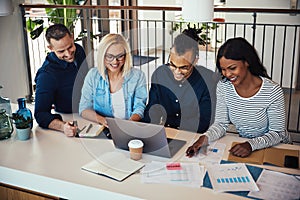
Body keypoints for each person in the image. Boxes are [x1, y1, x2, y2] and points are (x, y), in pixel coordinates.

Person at [186, 37, 291, 158]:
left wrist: (251, 145)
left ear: (247, 62)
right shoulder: (224, 87)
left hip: (277, 147)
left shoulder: (272, 91)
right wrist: (204, 138)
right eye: (223, 70)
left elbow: (278, 133)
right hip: (246, 147)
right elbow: (221, 124)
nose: (227, 74)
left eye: (232, 68)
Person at [143, 26, 217, 133]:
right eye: (172, 65)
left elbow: (205, 122)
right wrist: (145, 131)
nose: (177, 72)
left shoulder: (208, 80)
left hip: (193, 136)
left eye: (184, 67)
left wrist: (169, 123)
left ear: (195, 60)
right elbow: (153, 110)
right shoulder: (159, 74)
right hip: (166, 134)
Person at [79, 33, 147, 127]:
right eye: (109, 56)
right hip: (103, 127)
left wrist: (129, 124)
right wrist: (104, 121)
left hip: (130, 128)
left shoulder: (138, 76)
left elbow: (140, 107)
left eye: (120, 56)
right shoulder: (93, 75)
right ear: (102, 56)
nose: (115, 61)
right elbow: (84, 109)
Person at [34, 24, 88, 137]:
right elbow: (40, 114)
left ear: (72, 37)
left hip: (90, 111)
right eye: (61, 51)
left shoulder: (79, 51)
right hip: (71, 117)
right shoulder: (46, 75)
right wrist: (63, 127)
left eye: (70, 47)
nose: (68, 54)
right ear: (51, 48)